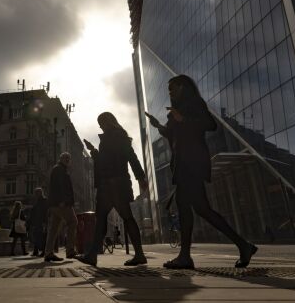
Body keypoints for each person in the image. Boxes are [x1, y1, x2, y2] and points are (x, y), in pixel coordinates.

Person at [146, 74, 257, 269]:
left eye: (172, 88)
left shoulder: (194, 103)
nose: (170, 92)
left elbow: (210, 124)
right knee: (200, 209)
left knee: (187, 206)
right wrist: (158, 126)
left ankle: (186, 256)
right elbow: (172, 134)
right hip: (182, 163)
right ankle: (242, 245)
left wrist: (183, 118)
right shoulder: (176, 111)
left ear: (183, 87)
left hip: (192, 162)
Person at [77, 112, 149, 267]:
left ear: (108, 122)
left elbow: (130, 156)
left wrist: (141, 177)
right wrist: (94, 151)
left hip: (113, 184)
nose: (100, 126)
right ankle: (93, 255)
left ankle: (138, 254)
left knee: (122, 218)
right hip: (112, 184)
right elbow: (107, 160)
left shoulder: (114, 136)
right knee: (106, 218)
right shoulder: (116, 136)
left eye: (101, 122)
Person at [43, 152, 78, 262]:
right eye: (65, 158)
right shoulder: (59, 169)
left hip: (54, 204)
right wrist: (62, 200)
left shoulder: (60, 169)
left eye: (69, 158)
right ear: (60, 159)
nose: (67, 160)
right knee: (73, 222)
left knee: (53, 229)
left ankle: (48, 253)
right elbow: (60, 185)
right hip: (61, 203)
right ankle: (70, 250)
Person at [29, 187, 49, 257]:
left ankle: (43, 251)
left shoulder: (44, 200)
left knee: (42, 237)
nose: (36, 194)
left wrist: (45, 221)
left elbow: (45, 211)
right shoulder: (36, 201)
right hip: (37, 221)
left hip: (42, 221)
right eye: (35, 193)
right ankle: (36, 251)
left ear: (40, 193)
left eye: (37, 193)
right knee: (36, 236)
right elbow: (34, 212)